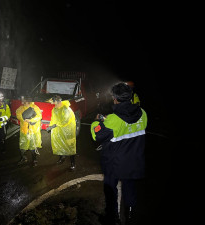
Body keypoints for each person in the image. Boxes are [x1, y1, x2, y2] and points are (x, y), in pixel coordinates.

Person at [90, 82, 147, 225]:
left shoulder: (112, 121)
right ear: (131, 97)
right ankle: (130, 216)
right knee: (130, 189)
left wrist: (97, 121)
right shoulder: (143, 114)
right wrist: (109, 120)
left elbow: (97, 135)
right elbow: (128, 125)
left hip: (114, 164)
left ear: (115, 99)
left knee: (111, 190)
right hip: (133, 162)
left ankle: (112, 218)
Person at [46, 95, 77, 171]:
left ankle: (73, 163)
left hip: (67, 131)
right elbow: (53, 119)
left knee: (70, 146)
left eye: (54, 103)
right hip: (59, 130)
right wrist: (50, 126)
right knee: (60, 144)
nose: (54, 105)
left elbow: (65, 121)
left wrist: (54, 125)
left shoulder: (66, 109)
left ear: (58, 101)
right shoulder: (54, 109)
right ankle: (62, 158)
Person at [16, 96, 42, 167]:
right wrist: (24, 119)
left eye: (23, 100)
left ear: (27, 101)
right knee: (22, 146)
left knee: (33, 147)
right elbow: (18, 115)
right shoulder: (21, 108)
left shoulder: (35, 107)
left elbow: (39, 116)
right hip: (24, 131)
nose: (21, 102)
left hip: (33, 131)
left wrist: (31, 120)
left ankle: (34, 160)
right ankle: (23, 158)